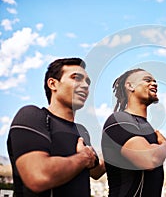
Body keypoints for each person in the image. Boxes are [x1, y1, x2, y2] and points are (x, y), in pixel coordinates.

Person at [7, 58, 106, 197]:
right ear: (53, 84)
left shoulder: (81, 131)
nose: (85, 85)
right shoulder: (33, 116)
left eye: (87, 82)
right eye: (76, 78)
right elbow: (39, 176)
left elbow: (95, 171)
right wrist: (83, 158)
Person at [101, 68, 166, 197]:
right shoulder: (119, 120)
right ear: (130, 86)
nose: (154, 84)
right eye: (147, 80)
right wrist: (165, 145)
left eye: (155, 81)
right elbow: (149, 159)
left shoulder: (145, 126)